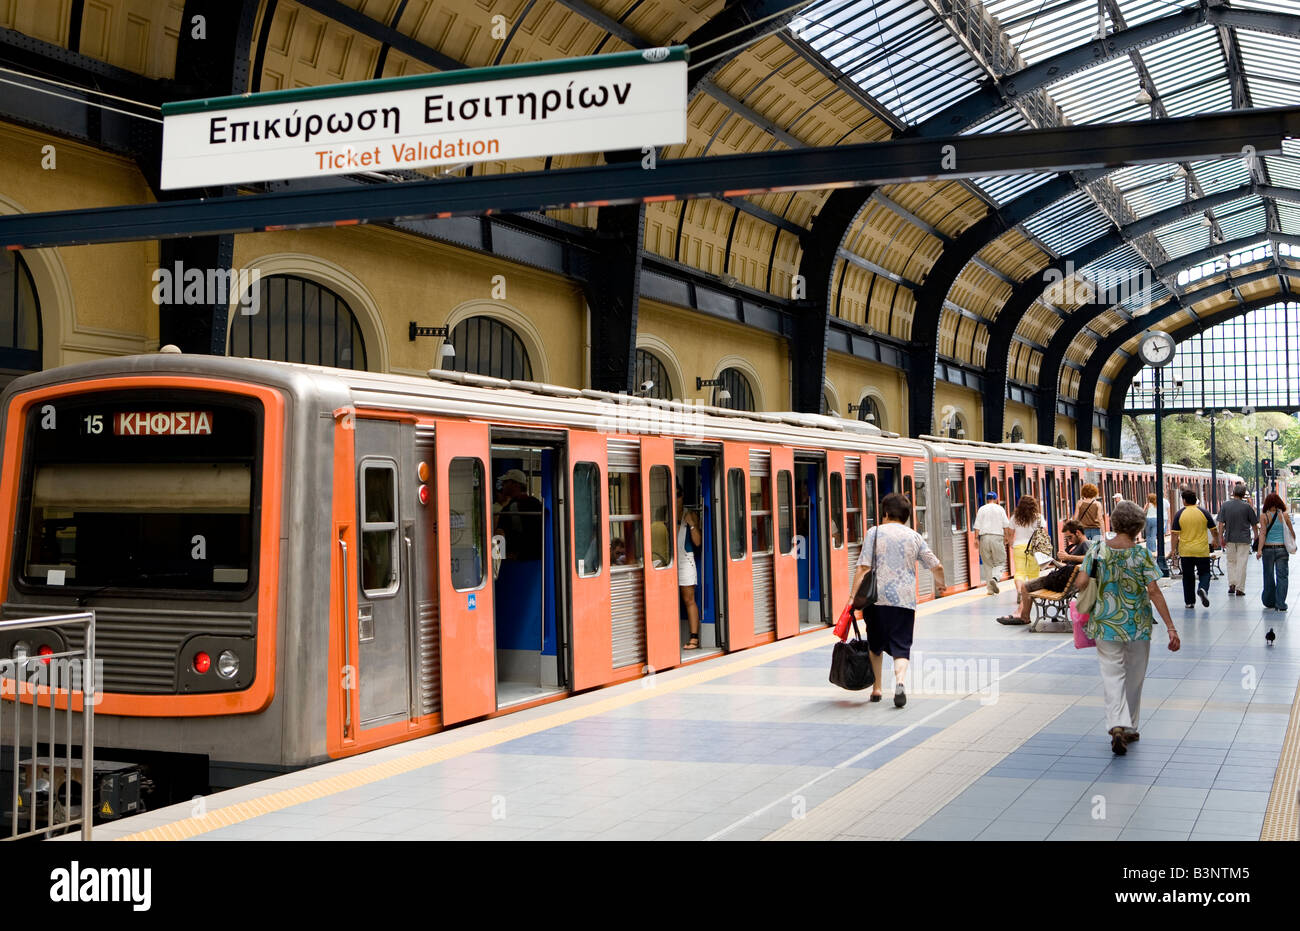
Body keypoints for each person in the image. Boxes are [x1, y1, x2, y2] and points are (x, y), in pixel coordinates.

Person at [1081, 500, 1179, 756]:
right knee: (1134, 679)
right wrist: (1170, 627)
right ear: (1138, 527)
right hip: (1137, 626)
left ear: (1114, 522)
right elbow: (1154, 591)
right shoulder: (1142, 554)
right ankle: (1131, 727)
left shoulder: (1098, 549)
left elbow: (1081, 582)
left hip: (1104, 624)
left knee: (1112, 676)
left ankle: (1116, 723)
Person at [848, 492, 945, 708]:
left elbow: (863, 567)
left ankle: (877, 689)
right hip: (904, 600)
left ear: (885, 513)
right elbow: (936, 565)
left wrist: (852, 597)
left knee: (875, 644)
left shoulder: (874, 533)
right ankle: (900, 682)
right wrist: (941, 583)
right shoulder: (914, 537)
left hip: (876, 599)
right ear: (907, 515)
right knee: (901, 646)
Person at [999, 520, 1088, 625]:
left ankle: (1024, 617)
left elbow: (1088, 558)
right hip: (1065, 580)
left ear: (1077, 533)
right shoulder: (1077, 546)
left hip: (1061, 582)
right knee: (1028, 585)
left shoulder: (1086, 544)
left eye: (1070, 537)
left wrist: (1068, 557)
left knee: (1026, 586)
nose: (1069, 541)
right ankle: (1021, 614)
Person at [1171, 488, 1220, 610]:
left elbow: (1175, 535)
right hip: (1201, 551)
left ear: (1184, 501)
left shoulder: (1179, 514)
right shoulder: (1203, 512)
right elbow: (1214, 529)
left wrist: (1173, 550)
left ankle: (1189, 602)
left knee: (1188, 576)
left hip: (1186, 551)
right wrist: (1215, 540)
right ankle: (1202, 588)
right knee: (1205, 573)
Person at [1216, 482, 1258, 597]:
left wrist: (1220, 537)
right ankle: (1240, 588)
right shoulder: (1247, 507)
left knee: (1231, 562)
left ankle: (1232, 584)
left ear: (1233, 493)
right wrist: (1256, 536)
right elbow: (1254, 524)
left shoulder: (1225, 505)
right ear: (1244, 494)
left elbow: (1220, 523)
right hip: (1244, 539)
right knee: (1242, 563)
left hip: (1229, 538)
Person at [1256, 492, 1294, 612]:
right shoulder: (1285, 515)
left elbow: (1262, 534)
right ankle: (1281, 603)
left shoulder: (1264, 516)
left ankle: (1269, 601)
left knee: (1268, 575)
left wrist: (1259, 550)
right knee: (1282, 577)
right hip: (1282, 549)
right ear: (1279, 503)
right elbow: (1292, 533)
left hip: (1267, 549)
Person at [677, 483, 703, 649]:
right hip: (667, 559)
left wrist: (692, 524)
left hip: (685, 560)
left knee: (688, 598)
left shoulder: (690, 514)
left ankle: (694, 637)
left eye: (678, 494)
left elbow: (698, 542)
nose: (676, 499)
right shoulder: (663, 512)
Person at [497, 469, 543, 561]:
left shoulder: (511, 507)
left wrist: (498, 556)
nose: (502, 485)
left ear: (516, 485)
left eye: (506, 482)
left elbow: (501, 535)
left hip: (516, 560)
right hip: (537, 559)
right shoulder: (536, 503)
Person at [973, 491, 1011, 595]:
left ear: (987, 499)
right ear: (996, 499)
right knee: (1000, 561)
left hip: (984, 538)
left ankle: (990, 590)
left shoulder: (981, 509)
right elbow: (1006, 525)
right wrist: (1007, 537)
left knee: (987, 564)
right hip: (997, 537)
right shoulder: (1000, 509)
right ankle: (995, 578)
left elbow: (977, 526)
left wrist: (976, 539)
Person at [1006, 495, 1046, 588]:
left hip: (1019, 547)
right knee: (1033, 573)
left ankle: (1020, 591)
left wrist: (1011, 543)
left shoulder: (1014, 517)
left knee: (1020, 572)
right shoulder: (1039, 517)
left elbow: (1010, 533)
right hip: (1034, 548)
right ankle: (1031, 593)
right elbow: (1044, 532)